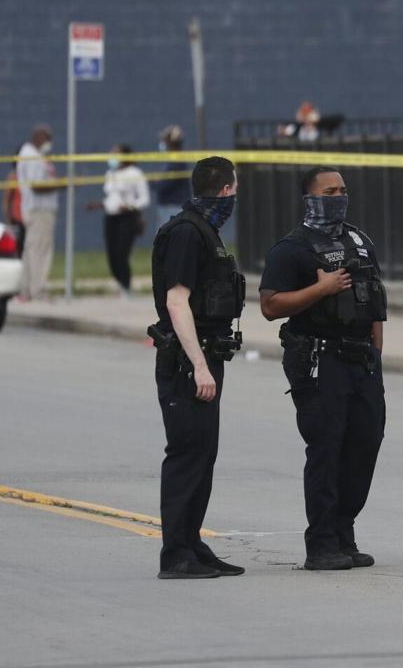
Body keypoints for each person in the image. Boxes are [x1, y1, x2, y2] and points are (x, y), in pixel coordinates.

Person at [259, 167, 387, 572]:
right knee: (326, 450)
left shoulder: (359, 240)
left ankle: (344, 531)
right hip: (319, 360)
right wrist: (321, 289)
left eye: (343, 190)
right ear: (310, 198)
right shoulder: (291, 248)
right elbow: (270, 306)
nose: (339, 197)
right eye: (330, 191)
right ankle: (321, 543)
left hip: (361, 360)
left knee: (364, 445)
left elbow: (374, 302)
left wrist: (375, 351)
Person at [149, 156, 246, 580]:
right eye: (235, 189)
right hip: (188, 362)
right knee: (188, 455)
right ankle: (175, 554)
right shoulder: (188, 233)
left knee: (204, 454)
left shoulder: (204, 231)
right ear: (226, 190)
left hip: (203, 356)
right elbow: (176, 301)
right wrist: (199, 366)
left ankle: (191, 542)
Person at [87, 144, 150, 297]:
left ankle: (126, 286)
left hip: (127, 218)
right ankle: (119, 281)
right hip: (111, 217)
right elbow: (111, 197)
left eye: (116, 154)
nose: (113, 157)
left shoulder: (135, 173)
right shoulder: (110, 173)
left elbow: (144, 199)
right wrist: (100, 204)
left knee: (122, 252)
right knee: (112, 253)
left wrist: (130, 206)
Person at [16, 124, 62, 301]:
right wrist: (61, 185)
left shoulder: (32, 155)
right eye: (47, 138)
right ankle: (38, 289)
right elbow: (37, 186)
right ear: (38, 137)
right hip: (40, 209)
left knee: (31, 249)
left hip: (35, 209)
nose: (49, 142)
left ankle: (26, 289)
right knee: (40, 251)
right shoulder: (32, 157)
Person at [154, 125, 190, 230]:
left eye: (165, 140)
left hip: (174, 208)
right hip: (170, 207)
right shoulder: (172, 161)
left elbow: (164, 185)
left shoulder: (176, 161)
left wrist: (155, 182)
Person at [1, 154, 25, 255]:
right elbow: (7, 200)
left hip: (30, 218)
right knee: (19, 249)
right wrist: (8, 220)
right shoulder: (14, 177)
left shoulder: (31, 175)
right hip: (17, 219)